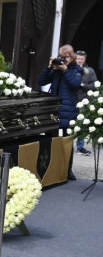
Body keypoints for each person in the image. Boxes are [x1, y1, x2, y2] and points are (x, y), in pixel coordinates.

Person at [38, 45, 82, 178]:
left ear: (72, 57)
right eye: (61, 57)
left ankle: (68, 169)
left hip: (68, 110)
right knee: (51, 140)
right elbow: (41, 81)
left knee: (68, 141)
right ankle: (51, 168)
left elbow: (75, 84)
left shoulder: (76, 69)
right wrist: (49, 67)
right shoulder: (56, 70)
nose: (63, 60)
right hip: (54, 109)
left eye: (66, 57)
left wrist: (65, 70)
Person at [75, 50, 98, 156]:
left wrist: (83, 86)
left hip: (83, 101)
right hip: (71, 100)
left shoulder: (90, 71)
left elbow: (95, 85)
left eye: (81, 59)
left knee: (82, 125)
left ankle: (80, 147)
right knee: (67, 124)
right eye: (78, 58)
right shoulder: (70, 69)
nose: (79, 60)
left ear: (85, 59)